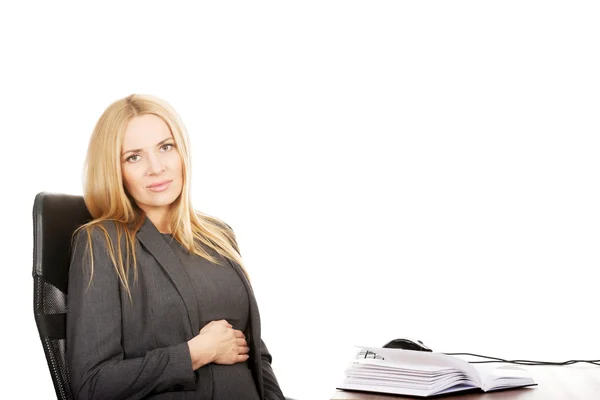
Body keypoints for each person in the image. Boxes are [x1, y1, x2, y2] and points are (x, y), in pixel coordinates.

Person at [66, 94, 286, 400]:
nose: (156, 168)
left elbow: (256, 355)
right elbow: (92, 384)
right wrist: (195, 353)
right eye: (134, 156)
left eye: (165, 147)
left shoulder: (218, 235)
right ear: (114, 170)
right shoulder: (103, 243)